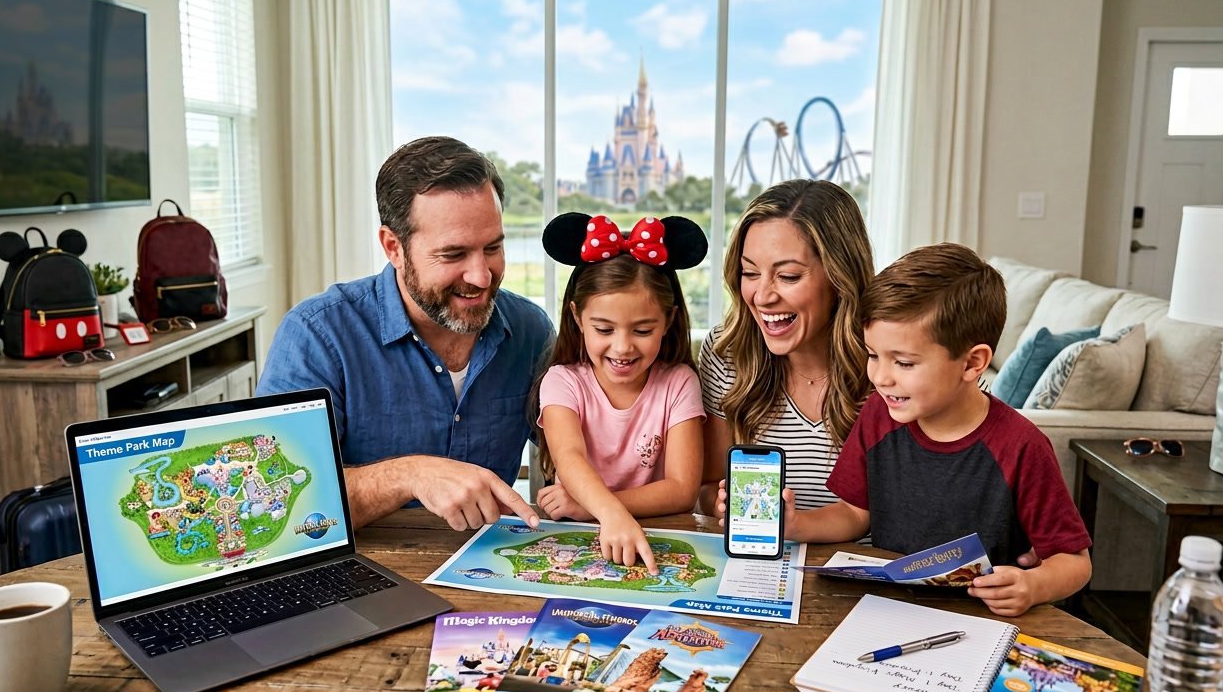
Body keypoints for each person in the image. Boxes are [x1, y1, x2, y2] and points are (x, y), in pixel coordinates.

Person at [774, 243, 1093, 617]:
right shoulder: (879, 415)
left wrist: (1033, 585)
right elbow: (854, 514)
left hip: (981, 621)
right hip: (888, 611)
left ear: (973, 363)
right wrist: (796, 525)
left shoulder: (1021, 446)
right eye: (873, 355)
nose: (880, 377)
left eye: (904, 363)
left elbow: (1074, 561)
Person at [257, 136, 552, 531]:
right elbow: (273, 499)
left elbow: (580, 450)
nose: (481, 277)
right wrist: (411, 475)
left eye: (493, 248)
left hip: (487, 570)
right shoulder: (316, 335)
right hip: (364, 577)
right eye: (453, 254)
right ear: (393, 247)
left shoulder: (531, 330)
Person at [532, 212, 709, 572]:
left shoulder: (679, 382)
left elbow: (682, 489)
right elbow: (569, 458)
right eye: (604, 329)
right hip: (576, 541)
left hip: (661, 538)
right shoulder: (562, 381)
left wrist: (592, 507)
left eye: (642, 331)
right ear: (577, 318)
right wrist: (609, 514)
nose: (623, 347)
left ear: (669, 320)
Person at [699, 179, 875, 518]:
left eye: (789, 276)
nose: (763, 296)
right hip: (761, 564)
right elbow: (707, 488)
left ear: (840, 277)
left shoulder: (892, 358)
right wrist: (721, 505)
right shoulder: (727, 352)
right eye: (750, 272)